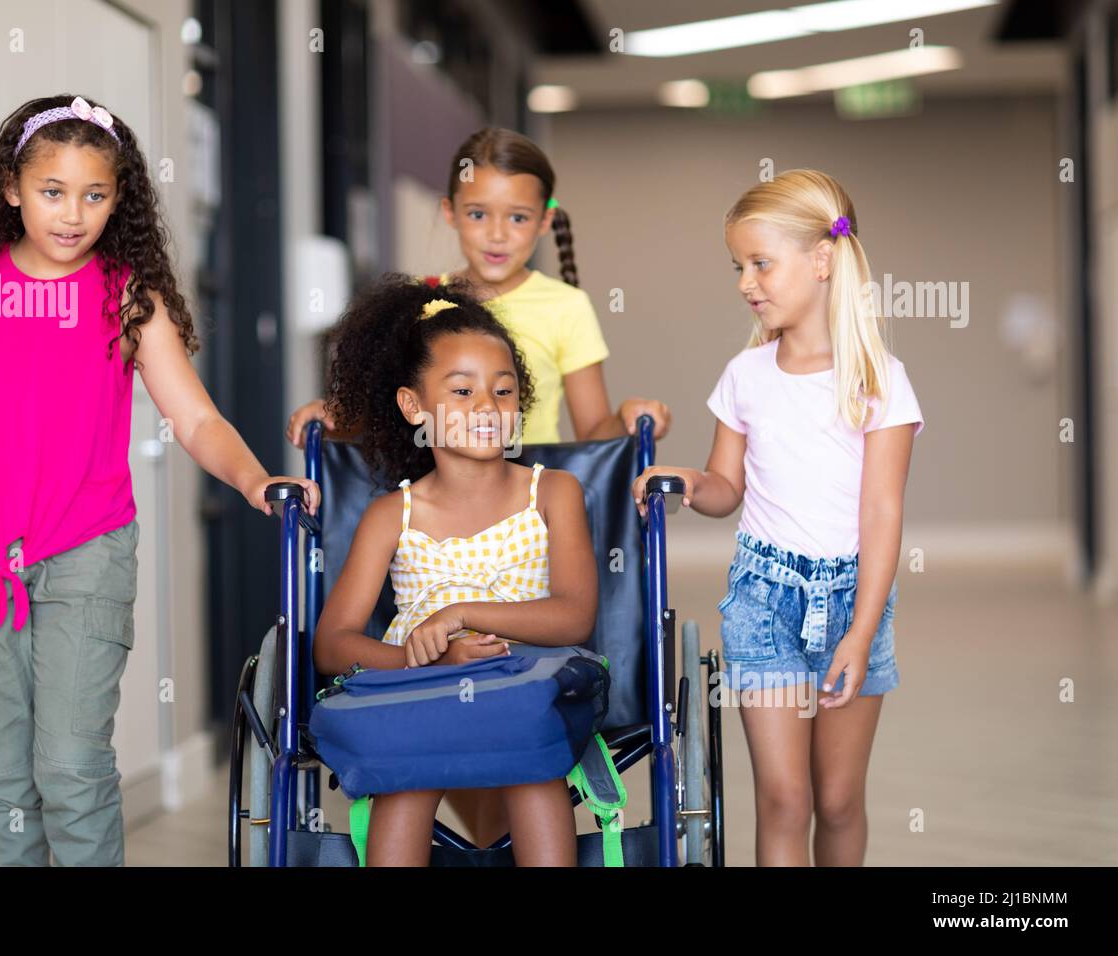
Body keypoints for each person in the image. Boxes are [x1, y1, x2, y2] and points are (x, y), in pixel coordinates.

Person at [0, 94, 318, 866]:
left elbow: (195, 418)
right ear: (11, 189)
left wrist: (255, 479)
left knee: (70, 766)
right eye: (52, 192)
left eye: (94, 195)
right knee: (3, 776)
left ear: (119, 198)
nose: (72, 214)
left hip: (87, 551)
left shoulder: (128, 296)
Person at [634, 169, 923, 866]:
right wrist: (688, 482)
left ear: (822, 260)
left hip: (855, 599)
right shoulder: (746, 375)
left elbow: (882, 512)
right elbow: (725, 488)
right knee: (785, 800)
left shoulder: (879, 380)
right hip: (763, 602)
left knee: (839, 800)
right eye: (739, 266)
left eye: (761, 263)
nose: (746, 282)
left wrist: (861, 633)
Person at [312, 275, 598, 866]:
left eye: (503, 390)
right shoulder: (392, 515)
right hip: (419, 688)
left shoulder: (554, 493)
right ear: (414, 406)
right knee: (406, 772)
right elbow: (333, 645)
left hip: (525, 683)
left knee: (532, 755)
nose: (488, 407)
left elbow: (574, 616)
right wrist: (425, 658)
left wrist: (460, 614)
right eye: (463, 391)